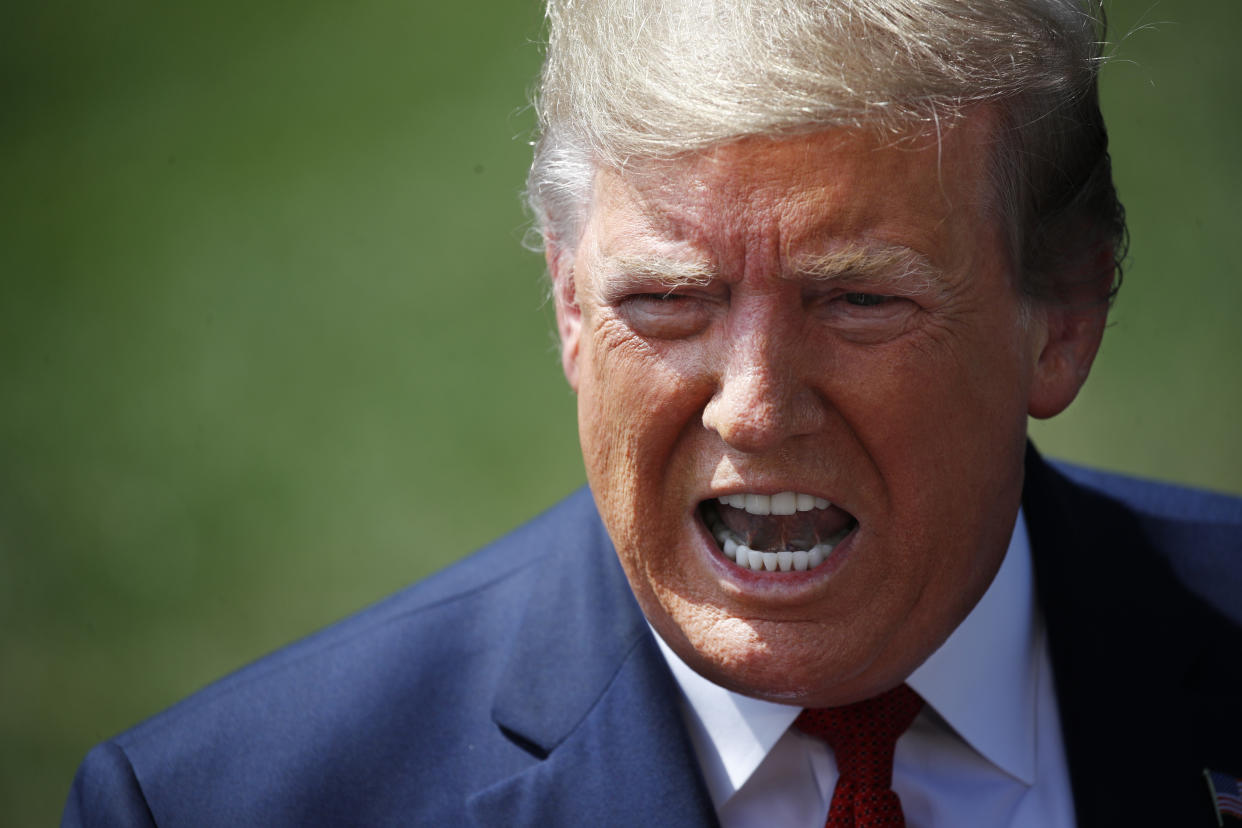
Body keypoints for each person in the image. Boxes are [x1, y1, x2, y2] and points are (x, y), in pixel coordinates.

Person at [64, 0, 1242, 826]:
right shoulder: (217, 805)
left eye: (858, 299)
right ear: (569, 307)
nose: (757, 407)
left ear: (1067, 316)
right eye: (670, 302)